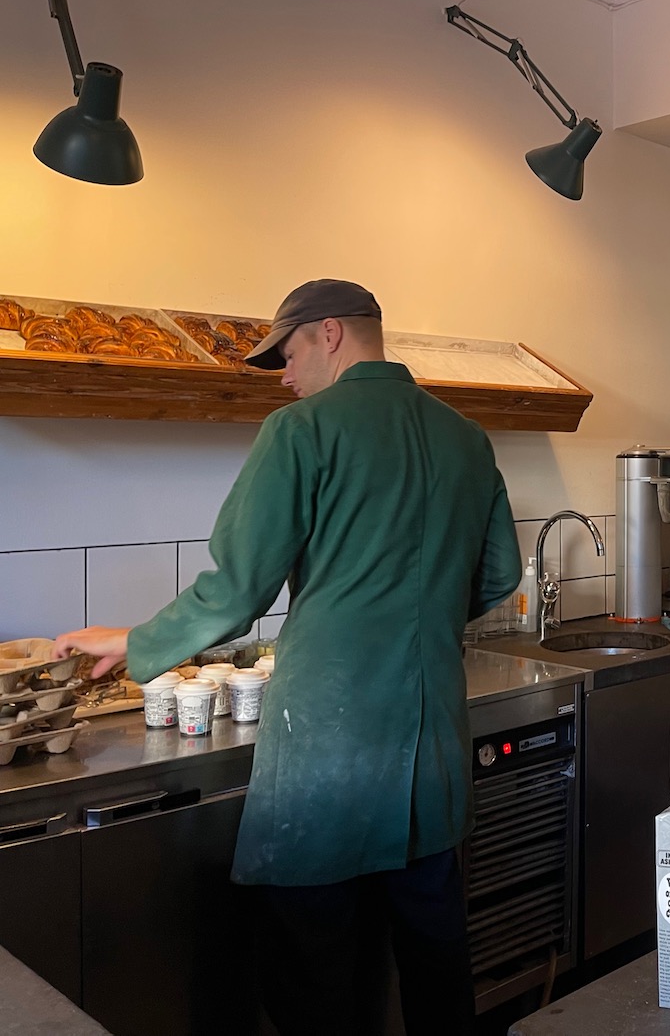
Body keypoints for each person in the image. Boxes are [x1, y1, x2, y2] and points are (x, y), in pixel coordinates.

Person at [54, 278, 522, 1036]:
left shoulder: (299, 430)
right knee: (435, 966)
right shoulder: (466, 438)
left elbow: (236, 590)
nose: (283, 372)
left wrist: (134, 643)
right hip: (430, 750)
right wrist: (416, 618)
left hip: (327, 751)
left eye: (289, 351)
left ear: (330, 332)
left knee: (315, 976)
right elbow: (500, 574)